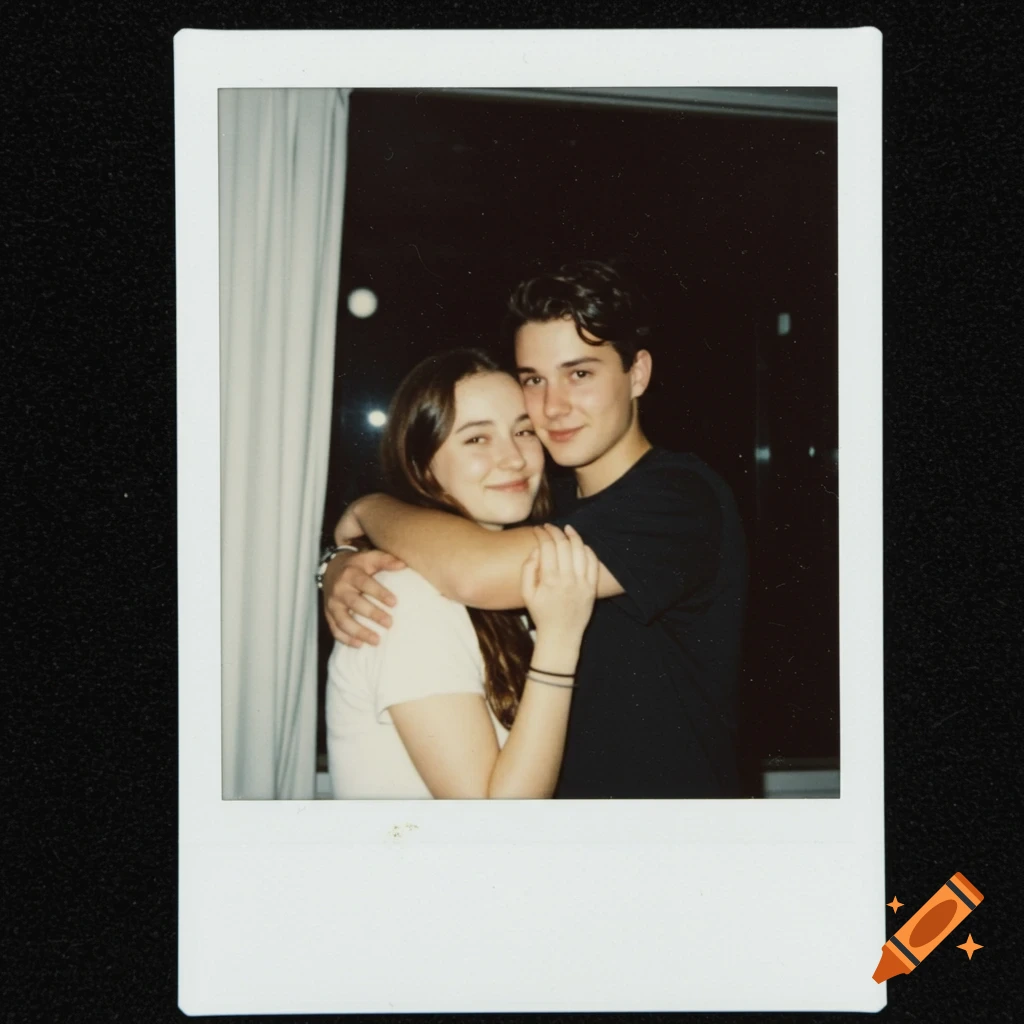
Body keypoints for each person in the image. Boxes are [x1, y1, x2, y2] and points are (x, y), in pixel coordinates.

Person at [325, 260, 747, 798]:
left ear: (636, 373)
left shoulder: (679, 500)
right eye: (533, 380)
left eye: (580, 373)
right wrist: (337, 563)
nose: (553, 406)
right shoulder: (539, 503)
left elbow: (474, 571)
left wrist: (369, 510)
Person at [323, 348, 598, 799]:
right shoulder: (409, 598)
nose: (514, 458)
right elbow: (489, 825)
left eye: (523, 430)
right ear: (422, 464)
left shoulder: (496, 581)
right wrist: (560, 639)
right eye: (476, 439)